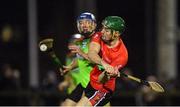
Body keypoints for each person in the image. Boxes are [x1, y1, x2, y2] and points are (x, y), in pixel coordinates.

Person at [76, 16, 128, 106]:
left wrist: (107, 73)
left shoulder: (122, 56)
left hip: (103, 90)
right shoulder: (99, 35)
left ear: (116, 33)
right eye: (103, 28)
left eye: (107, 30)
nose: (102, 31)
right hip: (92, 82)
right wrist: (105, 64)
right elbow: (92, 54)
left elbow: (101, 80)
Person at [59, 12, 97, 106]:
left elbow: (96, 60)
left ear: (94, 24)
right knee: (66, 105)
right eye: (81, 23)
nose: (84, 25)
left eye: (88, 22)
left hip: (95, 85)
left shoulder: (97, 40)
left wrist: (82, 53)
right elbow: (80, 59)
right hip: (83, 84)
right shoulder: (81, 42)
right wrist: (70, 67)